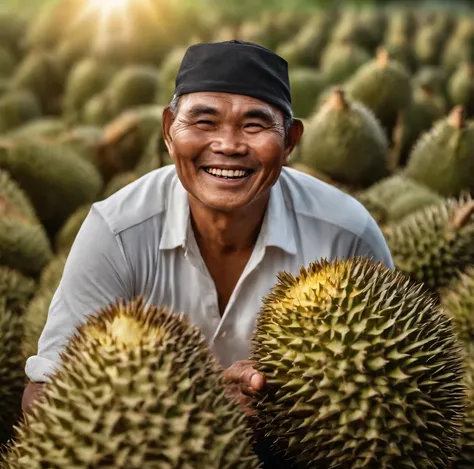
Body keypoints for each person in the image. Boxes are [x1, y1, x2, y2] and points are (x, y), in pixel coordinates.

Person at [22, 41, 393, 423]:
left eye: (254, 125)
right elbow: (44, 394)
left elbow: (393, 387)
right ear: (168, 131)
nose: (228, 145)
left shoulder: (346, 235)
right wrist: (194, 404)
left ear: (289, 142)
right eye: (204, 122)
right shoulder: (117, 230)